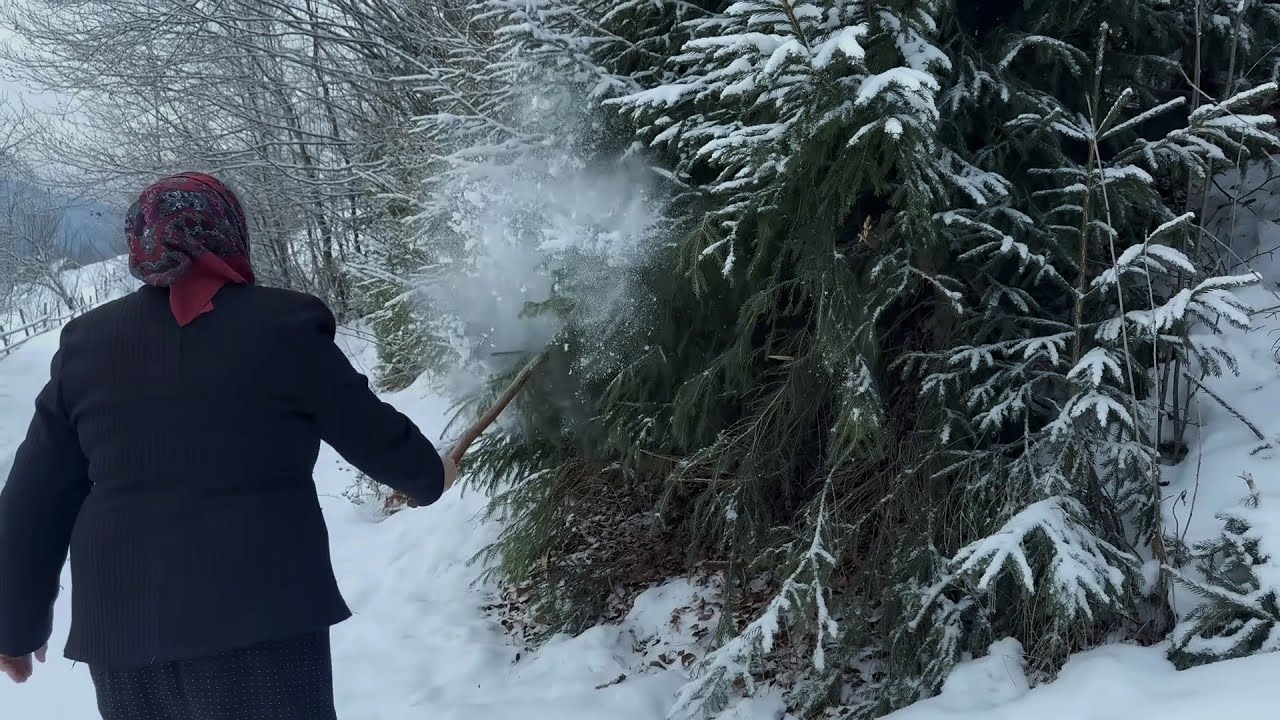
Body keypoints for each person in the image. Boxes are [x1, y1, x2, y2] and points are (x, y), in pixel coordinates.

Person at [0, 172, 457, 719]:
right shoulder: (283, 325)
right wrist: (430, 477)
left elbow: (33, 498)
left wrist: (14, 624)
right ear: (228, 231)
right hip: (260, 626)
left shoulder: (86, 344)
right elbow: (369, 430)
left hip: (124, 638)